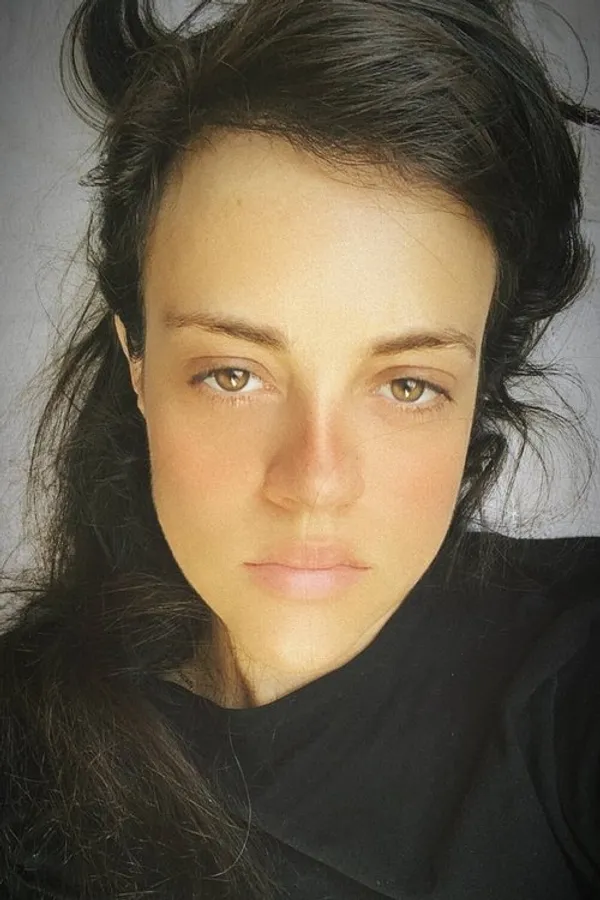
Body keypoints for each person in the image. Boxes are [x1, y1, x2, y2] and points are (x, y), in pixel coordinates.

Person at [1, 0, 599, 897]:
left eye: (408, 385)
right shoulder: (24, 746)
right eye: (233, 374)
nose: (314, 482)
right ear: (137, 360)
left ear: (478, 387)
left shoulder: (573, 670)